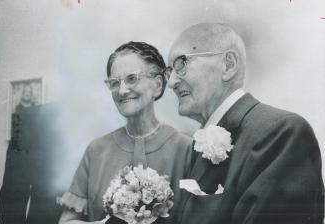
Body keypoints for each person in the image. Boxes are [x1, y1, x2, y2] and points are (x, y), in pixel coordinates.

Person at [165, 23, 324, 224]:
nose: (171, 82)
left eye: (181, 63)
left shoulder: (281, 133)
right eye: (169, 71)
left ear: (228, 65)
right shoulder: (196, 147)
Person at [58, 41, 192, 224]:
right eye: (114, 83)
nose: (121, 91)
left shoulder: (185, 148)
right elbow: (67, 221)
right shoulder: (96, 150)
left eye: (132, 79)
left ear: (158, 85)